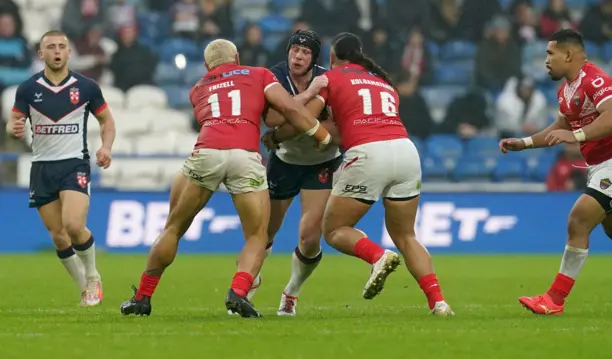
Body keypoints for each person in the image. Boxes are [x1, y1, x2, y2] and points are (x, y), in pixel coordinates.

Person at [119, 39, 332, 318]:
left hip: (207, 152)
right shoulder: (259, 74)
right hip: (245, 155)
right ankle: (239, 292)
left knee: (173, 228)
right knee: (258, 235)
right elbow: (287, 111)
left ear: (207, 66)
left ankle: (142, 297)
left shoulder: (198, 88)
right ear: (238, 57)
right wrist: (321, 134)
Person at [272, 32, 455, 316]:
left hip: (368, 153)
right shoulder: (383, 82)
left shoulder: (330, 79)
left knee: (333, 230)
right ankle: (439, 303)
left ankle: (377, 256)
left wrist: (304, 136)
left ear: (331, 57)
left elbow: (304, 117)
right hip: (406, 151)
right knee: (406, 235)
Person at [500, 29, 612, 315]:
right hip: (602, 165)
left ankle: (554, 299)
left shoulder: (596, 80)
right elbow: (559, 129)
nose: (546, 60)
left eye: (550, 54)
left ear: (568, 54)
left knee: (579, 218)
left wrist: (577, 135)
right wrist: (523, 143)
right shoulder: (566, 90)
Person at [5, 30, 115, 306]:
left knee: (74, 225)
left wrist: (106, 147)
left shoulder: (86, 87)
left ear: (68, 52)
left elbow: (106, 121)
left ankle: (92, 277)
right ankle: (83, 288)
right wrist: (13, 128)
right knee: (58, 235)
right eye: (50, 47)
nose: (56, 51)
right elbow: (13, 122)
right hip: (42, 167)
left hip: (74, 163)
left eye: (61, 46)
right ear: (41, 54)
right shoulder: (28, 89)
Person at [251, 30, 341, 316]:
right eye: (294, 51)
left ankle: (291, 292)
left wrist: (285, 127)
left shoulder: (328, 79)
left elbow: (289, 121)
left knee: (311, 237)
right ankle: (247, 287)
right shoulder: (273, 76)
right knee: (265, 231)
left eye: (305, 52)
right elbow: (272, 118)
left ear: (313, 58)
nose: (298, 56)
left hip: (321, 161)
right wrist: (309, 96)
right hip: (285, 160)